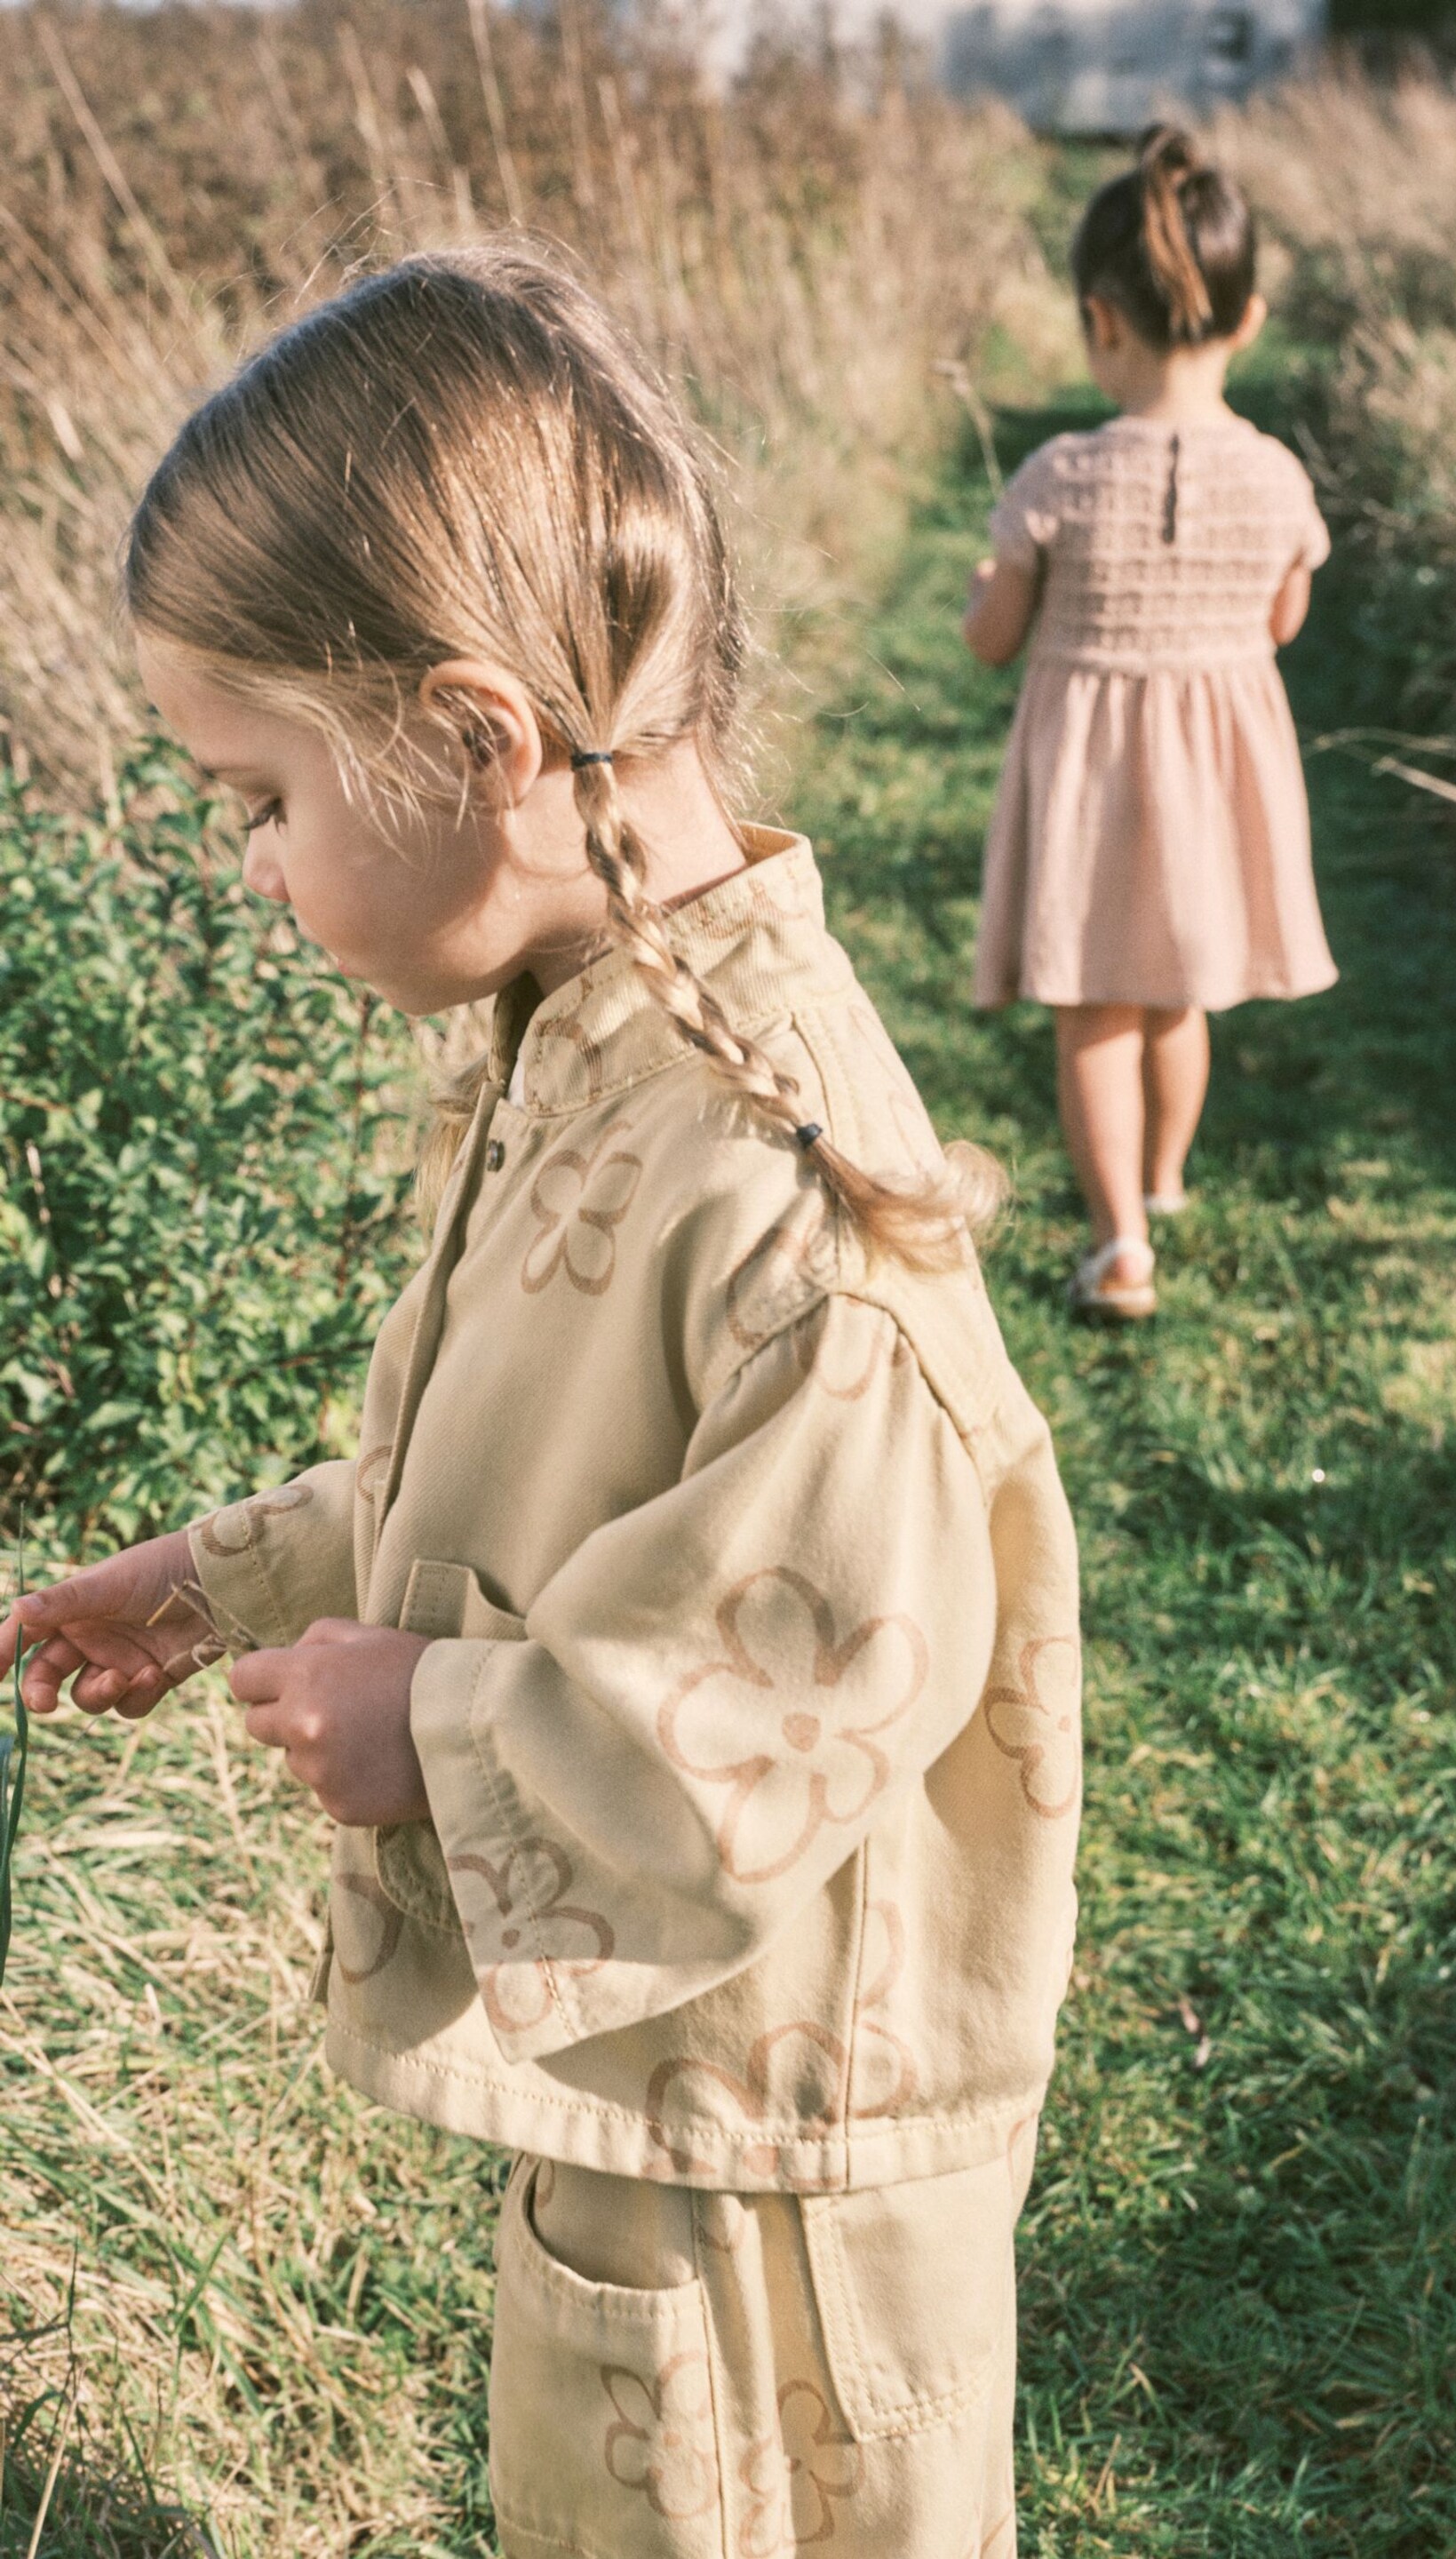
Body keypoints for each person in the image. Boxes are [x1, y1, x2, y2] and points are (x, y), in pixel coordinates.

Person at [0, 250, 1081, 2559]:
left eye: (258, 793)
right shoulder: (594, 1032)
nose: (247, 861)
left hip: (774, 2168)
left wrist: (458, 1728)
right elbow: (526, 1449)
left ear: (477, 743)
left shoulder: (777, 1173)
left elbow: (827, 1668)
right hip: (672, 2105)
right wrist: (227, 1579)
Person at [965, 124, 1338, 1321]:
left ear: (1100, 320)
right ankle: (1166, 1185)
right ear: (1251, 320)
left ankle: (1122, 1238)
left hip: (1088, 778)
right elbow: (1284, 618)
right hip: (1215, 782)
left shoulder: (1057, 477)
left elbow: (993, 638)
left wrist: (987, 591)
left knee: (1094, 1008)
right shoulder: (1279, 475)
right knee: (1181, 992)